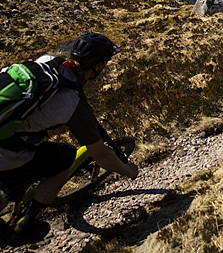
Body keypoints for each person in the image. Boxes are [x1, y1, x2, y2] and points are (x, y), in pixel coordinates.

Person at [0, 33, 138, 241]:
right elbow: (100, 155)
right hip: (6, 152)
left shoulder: (48, 60)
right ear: (98, 66)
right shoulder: (72, 102)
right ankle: (27, 224)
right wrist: (129, 171)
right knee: (64, 157)